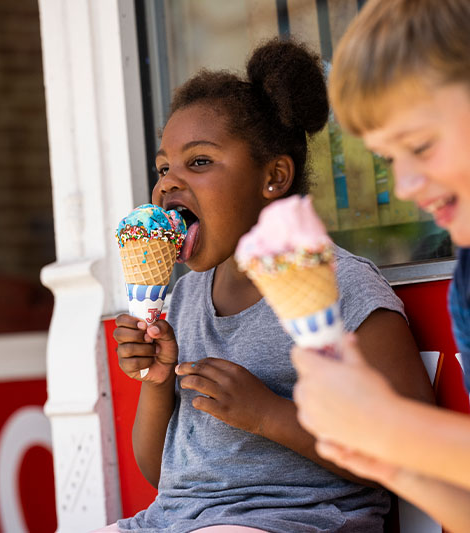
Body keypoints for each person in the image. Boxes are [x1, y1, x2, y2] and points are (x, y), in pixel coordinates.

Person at [102, 38, 435, 533]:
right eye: (163, 167)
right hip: (174, 521)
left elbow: (418, 449)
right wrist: (157, 380)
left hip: (296, 520)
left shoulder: (344, 286)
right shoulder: (185, 297)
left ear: (274, 177)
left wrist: (269, 415)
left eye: (199, 162)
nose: (167, 183)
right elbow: (160, 474)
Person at [290, 1, 470, 531]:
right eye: (389, 158)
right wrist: (393, 461)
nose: (404, 186)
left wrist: (398, 427)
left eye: (421, 145)